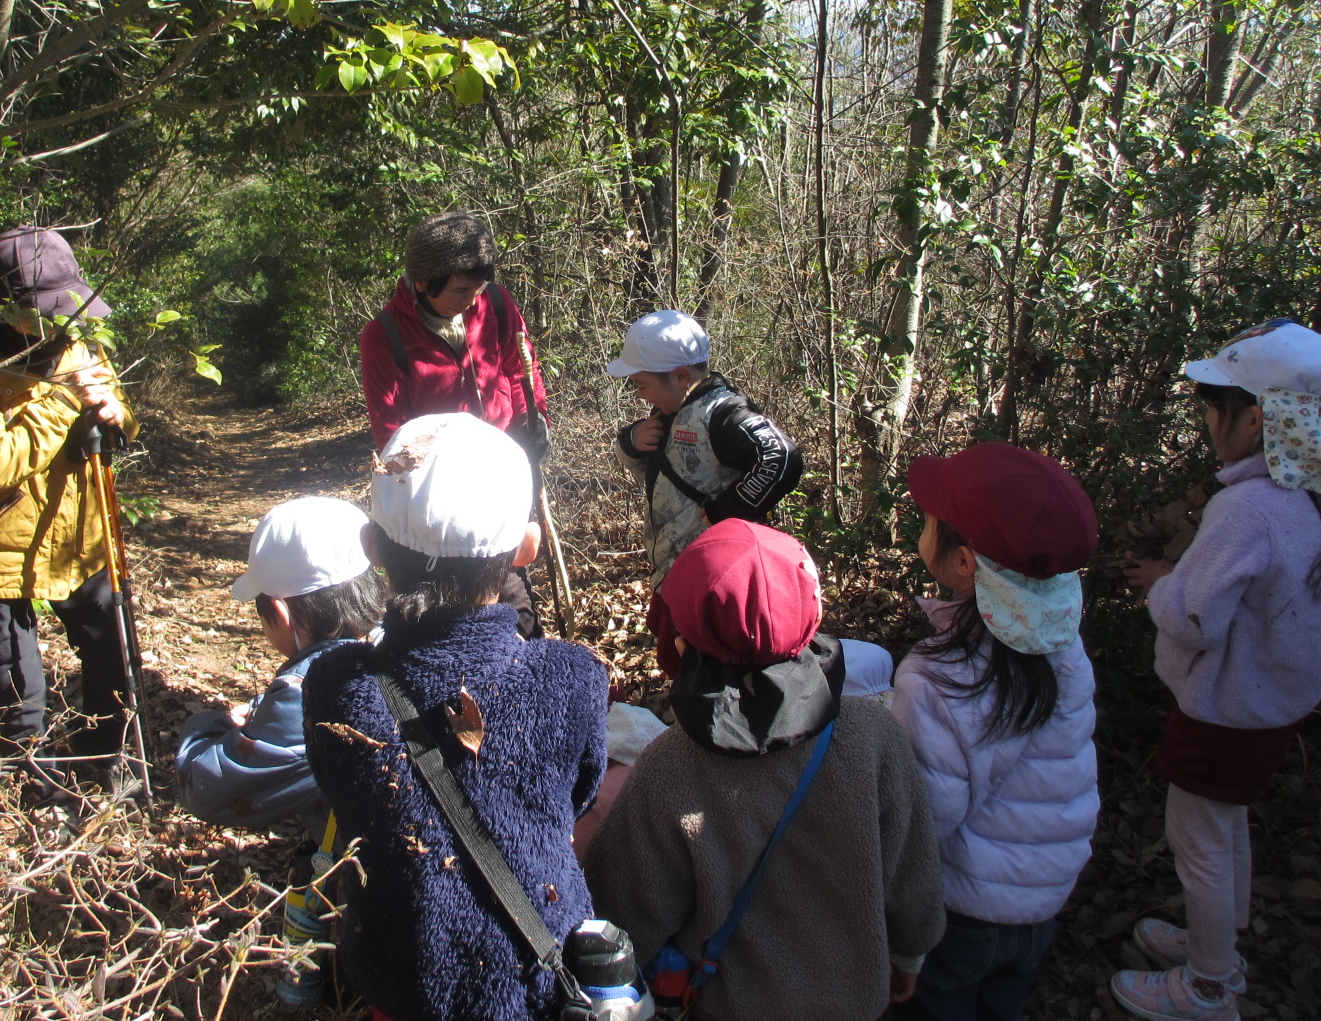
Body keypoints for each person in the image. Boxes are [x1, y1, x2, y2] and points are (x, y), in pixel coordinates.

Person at [304, 412, 608, 1021]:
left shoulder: (335, 684)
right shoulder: (573, 675)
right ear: (527, 549)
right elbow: (577, 797)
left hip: (402, 982)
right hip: (538, 983)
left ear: (371, 549)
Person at [582, 519, 945, 1021]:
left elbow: (624, 915)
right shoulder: (871, 734)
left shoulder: (670, 766)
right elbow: (912, 874)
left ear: (685, 641)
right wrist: (911, 953)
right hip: (856, 1003)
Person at [1111, 319, 1321, 1021]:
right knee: (1225, 828)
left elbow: (1196, 619)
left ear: (1254, 418)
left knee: (1196, 841)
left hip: (1223, 708)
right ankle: (1219, 939)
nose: (1207, 421)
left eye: (1214, 407)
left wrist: (1162, 585)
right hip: (1271, 702)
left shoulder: (1245, 511)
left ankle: (1207, 985)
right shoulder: (1301, 503)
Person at [0, 225, 138, 794]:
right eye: (45, 311)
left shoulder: (77, 344)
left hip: (77, 535)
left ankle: (104, 764)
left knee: (110, 655)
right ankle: (33, 792)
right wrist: (66, 401)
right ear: (3, 308)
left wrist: (116, 411)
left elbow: (120, 417)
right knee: (19, 689)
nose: (61, 322)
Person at [889, 442, 1100, 1021]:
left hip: (961, 914)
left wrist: (904, 939)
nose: (922, 526)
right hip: (1041, 903)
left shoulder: (938, 680)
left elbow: (922, 825)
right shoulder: (1065, 647)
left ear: (963, 563)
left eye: (930, 521)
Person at [359, 210, 549, 636]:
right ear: (423, 283)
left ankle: (521, 657)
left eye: (478, 288)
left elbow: (520, 368)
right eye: (461, 290)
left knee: (511, 588)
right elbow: (391, 432)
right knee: (446, 602)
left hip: (500, 475)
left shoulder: (495, 305)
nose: (472, 299)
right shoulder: (385, 336)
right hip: (436, 494)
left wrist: (533, 420)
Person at [175, 496, 382, 840]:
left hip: (363, 883)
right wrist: (262, 711)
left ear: (281, 613)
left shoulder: (309, 695)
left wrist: (214, 725)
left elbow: (205, 789)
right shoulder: (401, 640)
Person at [607, 310, 801, 589]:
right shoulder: (669, 412)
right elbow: (655, 475)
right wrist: (631, 441)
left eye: (641, 384)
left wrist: (729, 510)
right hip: (673, 577)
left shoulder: (723, 414)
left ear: (681, 377)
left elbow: (782, 457)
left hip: (717, 580)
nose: (640, 395)